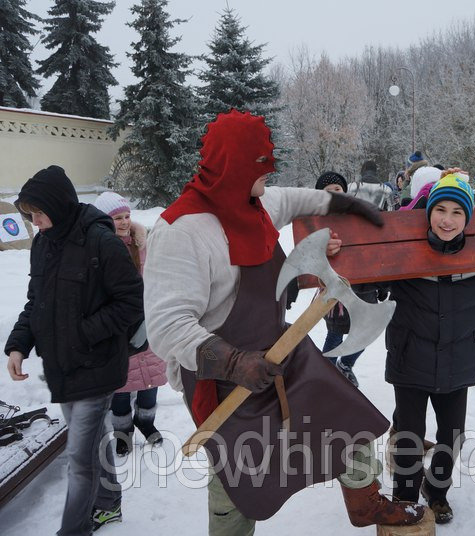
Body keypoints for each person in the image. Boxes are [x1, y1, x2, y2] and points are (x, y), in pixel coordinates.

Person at [143, 110, 425, 534]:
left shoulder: (255, 203)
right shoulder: (182, 230)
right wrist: (235, 363)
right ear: (236, 167)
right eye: (261, 166)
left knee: (348, 421)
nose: (269, 175)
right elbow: (166, 327)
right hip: (220, 379)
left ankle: (365, 502)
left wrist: (346, 204)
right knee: (238, 478)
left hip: (282, 351)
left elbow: (296, 199)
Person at [385, 173, 475, 523]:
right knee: (409, 437)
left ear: (468, 219)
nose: (447, 219)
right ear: (428, 212)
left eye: (457, 212)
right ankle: (404, 497)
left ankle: (435, 491)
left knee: (451, 437)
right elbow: (371, 288)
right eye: (440, 209)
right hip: (410, 359)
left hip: (460, 359)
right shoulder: (402, 257)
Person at [5, 166, 144, 534]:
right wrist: (19, 344)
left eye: (38, 213)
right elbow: (36, 302)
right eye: (28, 215)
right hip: (63, 367)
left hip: (96, 366)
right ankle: (109, 505)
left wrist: (83, 332)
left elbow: (132, 303)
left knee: (79, 461)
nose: (34, 222)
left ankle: (74, 530)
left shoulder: (102, 242)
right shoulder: (44, 244)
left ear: (59, 205)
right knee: (93, 443)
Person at [93, 191, 167, 456]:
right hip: (119, 326)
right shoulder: (98, 249)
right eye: (117, 218)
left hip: (148, 322)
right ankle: (123, 430)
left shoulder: (143, 244)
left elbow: (159, 276)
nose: (123, 222)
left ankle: (146, 422)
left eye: (126, 216)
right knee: (122, 385)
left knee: (152, 379)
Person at [313, 171, 385, 387]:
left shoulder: (358, 218)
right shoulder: (316, 221)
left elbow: (376, 252)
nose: (334, 194)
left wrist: (381, 284)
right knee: (335, 336)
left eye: (338, 190)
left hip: (365, 290)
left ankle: (345, 365)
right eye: (328, 192)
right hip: (337, 295)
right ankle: (326, 373)